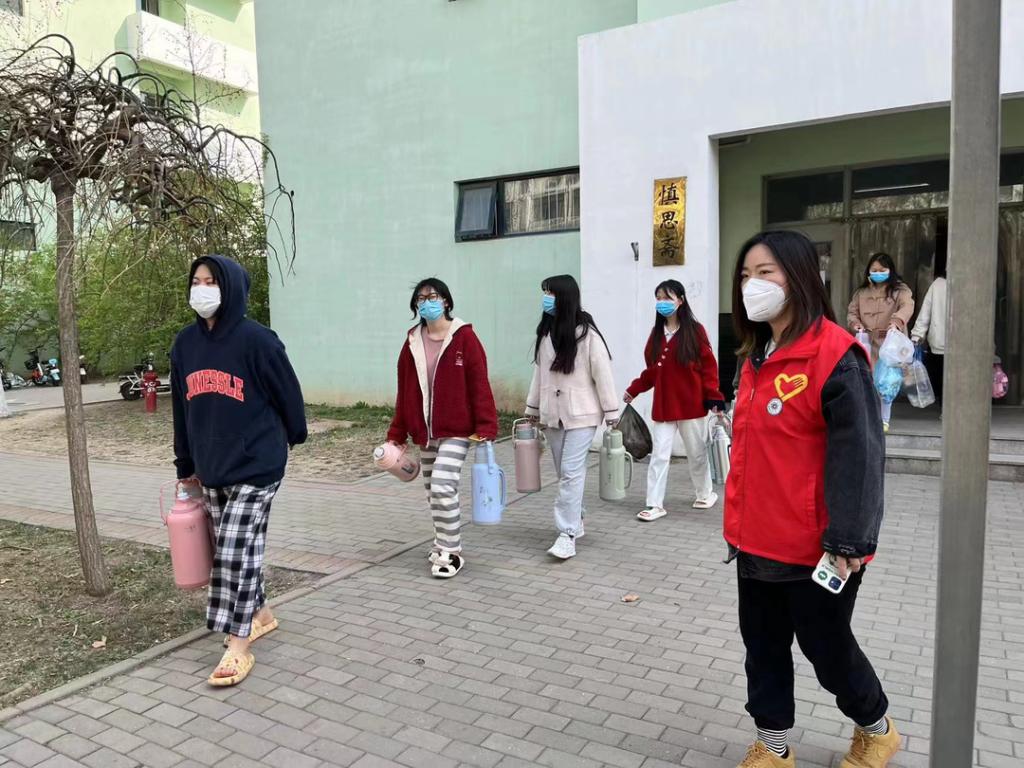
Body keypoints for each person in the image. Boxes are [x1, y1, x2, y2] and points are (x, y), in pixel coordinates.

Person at [725, 232, 900, 768]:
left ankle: (877, 729)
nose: (751, 285)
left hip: (818, 547)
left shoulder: (835, 355)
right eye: (745, 275)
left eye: (765, 273)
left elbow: (861, 456)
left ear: (799, 277)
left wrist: (849, 539)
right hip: (756, 538)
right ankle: (773, 746)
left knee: (827, 650)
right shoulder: (756, 354)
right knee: (763, 649)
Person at [171, 255, 307, 687]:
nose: (202, 289)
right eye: (196, 281)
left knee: (233, 552)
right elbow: (181, 411)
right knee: (232, 549)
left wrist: (294, 435)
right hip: (211, 467)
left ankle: (238, 644)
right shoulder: (185, 344)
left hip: (257, 464)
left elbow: (289, 395)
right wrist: (185, 465)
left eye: (211, 281)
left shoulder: (258, 341)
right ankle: (260, 613)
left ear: (230, 287)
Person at [386, 278, 498, 579]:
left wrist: (486, 425)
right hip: (425, 431)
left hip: (457, 429)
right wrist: (397, 434)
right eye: (420, 299)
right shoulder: (412, 341)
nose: (427, 302)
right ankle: (441, 542)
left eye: (432, 296)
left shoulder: (464, 338)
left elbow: (479, 383)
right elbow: (405, 390)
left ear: (446, 301)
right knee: (431, 490)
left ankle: (452, 550)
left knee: (442, 485)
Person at [526, 275, 617, 560]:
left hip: (582, 414)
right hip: (553, 415)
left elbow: (603, 373)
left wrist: (611, 411)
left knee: (570, 472)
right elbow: (539, 374)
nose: (546, 298)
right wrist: (532, 408)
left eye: (551, 293)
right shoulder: (546, 334)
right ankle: (576, 519)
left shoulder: (587, 335)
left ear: (565, 297)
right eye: (544, 292)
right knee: (563, 472)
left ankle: (566, 534)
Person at [623, 280, 725, 521]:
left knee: (696, 453)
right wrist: (634, 389)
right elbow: (653, 371)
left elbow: (709, 368)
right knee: (659, 456)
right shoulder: (657, 334)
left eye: (667, 298)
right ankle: (654, 504)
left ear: (680, 300)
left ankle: (705, 493)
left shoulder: (695, 331)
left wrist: (714, 398)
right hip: (664, 406)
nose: (662, 303)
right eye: (658, 298)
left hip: (691, 405)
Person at [847, 253, 914, 430]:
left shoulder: (900, 290)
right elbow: (852, 313)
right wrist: (856, 324)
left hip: (890, 343)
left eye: (882, 270)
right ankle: (869, 416)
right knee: (866, 380)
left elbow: (907, 306)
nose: (878, 273)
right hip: (867, 342)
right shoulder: (861, 292)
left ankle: (884, 419)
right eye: (874, 270)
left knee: (887, 381)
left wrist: (896, 322)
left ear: (890, 270)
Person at [911, 267, 947, 408]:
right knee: (944, 378)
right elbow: (926, 311)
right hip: (941, 341)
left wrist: (917, 334)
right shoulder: (938, 285)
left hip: (944, 341)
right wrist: (917, 335)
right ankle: (946, 410)